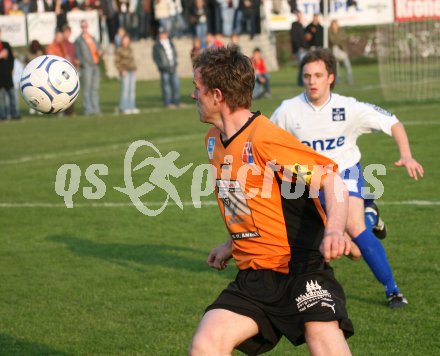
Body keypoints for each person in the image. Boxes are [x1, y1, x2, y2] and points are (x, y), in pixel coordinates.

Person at [189, 46, 354, 355]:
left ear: (216, 94)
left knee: (322, 335)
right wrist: (232, 242)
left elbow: (330, 179)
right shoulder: (213, 139)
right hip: (254, 276)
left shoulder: (265, 138)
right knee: (205, 345)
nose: (193, 97)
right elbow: (241, 197)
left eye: (196, 89)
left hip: (299, 268)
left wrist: (334, 230)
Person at [270, 48, 425, 308]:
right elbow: (269, 142)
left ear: (330, 77)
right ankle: (370, 215)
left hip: (346, 172)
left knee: (353, 226)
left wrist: (406, 155)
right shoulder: (288, 110)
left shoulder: (348, 107)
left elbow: (393, 122)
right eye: (307, 75)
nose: (312, 81)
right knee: (342, 249)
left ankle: (393, 291)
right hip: (312, 180)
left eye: (318, 75)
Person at [74, 19, 102, 116]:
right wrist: (83, 63)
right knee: (87, 88)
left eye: (85, 26)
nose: (84, 28)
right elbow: (77, 54)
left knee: (95, 88)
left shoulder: (92, 38)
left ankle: (96, 108)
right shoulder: (78, 40)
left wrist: (100, 52)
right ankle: (88, 109)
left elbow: (98, 48)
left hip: (96, 65)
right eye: (82, 26)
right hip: (87, 66)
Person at [152, 27, 180, 108]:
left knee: (176, 84)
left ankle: (176, 101)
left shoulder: (170, 43)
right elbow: (155, 57)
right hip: (164, 68)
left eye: (163, 33)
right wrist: (161, 66)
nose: (162, 35)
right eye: (161, 33)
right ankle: (167, 102)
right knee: (166, 86)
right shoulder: (157, 45)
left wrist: (175, 63)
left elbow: (174, 54)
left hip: (172, 67)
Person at [114, 34, 139, 114]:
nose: (126, 41)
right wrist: (121, 70)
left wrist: (135, 68)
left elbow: (132, 60)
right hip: (125, 71)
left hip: (132, 70)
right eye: (125, 40)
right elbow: (117, 62)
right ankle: (124, 107)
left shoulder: (130, 49)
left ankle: (131, 106)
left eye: (127, 40)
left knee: (132, 90)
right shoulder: (119, 50)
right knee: (125, 90)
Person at [0, 29, 20, 120]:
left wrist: (11, 69)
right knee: (1, 97)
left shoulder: (6, 44)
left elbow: (11, 58)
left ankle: (14, 113)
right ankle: (2, 115)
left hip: (7, 75)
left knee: (12, 95)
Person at [328, 19, 353, 85]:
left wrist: (337, 40)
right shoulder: (329, 32)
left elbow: (344, 38)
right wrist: (338, 40)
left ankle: (350, 80)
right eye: (333, 25)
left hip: (342, 51)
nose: (334, 26)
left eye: (336, 24)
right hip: (334, 52)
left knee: (347, 66)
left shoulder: (341, 31)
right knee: (336, 68)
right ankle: (337, 81)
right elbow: (332, 40)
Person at [290, 10, 308, 86]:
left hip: (304, 48)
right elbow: (294, 38)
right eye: (298, 15)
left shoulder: (301, 26)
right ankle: (300, 82)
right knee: (301, 66)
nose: (300, 17)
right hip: (299, 49)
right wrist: (299, 47)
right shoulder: (294, 25)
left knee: (303, 66)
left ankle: (301, 82)